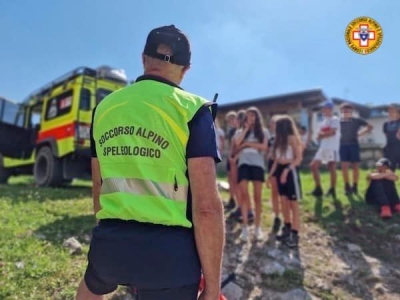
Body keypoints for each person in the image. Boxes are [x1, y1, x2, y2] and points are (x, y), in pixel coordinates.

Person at [75, 25, 225, 300]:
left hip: (110, 246)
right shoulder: (193, 110)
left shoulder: (104, 109)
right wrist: (213, 289)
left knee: (92, 286)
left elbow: (99, 192)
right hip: (170, 260)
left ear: (144, 59)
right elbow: (206, 209)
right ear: (186, 68)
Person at [234, 106, 269, 241]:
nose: (250, 118)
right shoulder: (240, 131)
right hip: (243, 163)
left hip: (258, 164)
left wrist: (247, 144)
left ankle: (257, 228)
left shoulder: (264, 131)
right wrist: (246, 130)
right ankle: (244, 227)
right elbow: (237, 143)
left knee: (257, 196)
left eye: (253, 115)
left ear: (257, 117)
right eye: (248, 116)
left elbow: (264, 147)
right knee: (243, 194)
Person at [268, 115, 303, 248]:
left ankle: (295, 233)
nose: (274, 127)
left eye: (277, 125)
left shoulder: (292, 138)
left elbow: (298, 158)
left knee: (293, 203)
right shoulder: (278, 141)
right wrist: (270, 175)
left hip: (290, 171)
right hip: (280, 170)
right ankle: (286, 228)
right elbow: (276, 160)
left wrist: (287, 170)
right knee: (284, 202)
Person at [339, 103, 373, 195]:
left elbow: (370, 126)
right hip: (342, 145)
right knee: (344, 166)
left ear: (351, 111)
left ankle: (355, 186)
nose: (345, 113)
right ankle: (347, 186)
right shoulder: (338, 121)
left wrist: (360, 134)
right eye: (343, 111)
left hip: (354, 145)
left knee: (355, 167)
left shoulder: (357, 120)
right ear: (341, 112)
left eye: (348, 111)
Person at [310, 101, 341, 197]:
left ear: (330, 109)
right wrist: (322, 135)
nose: (323, 110)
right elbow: (318, 136)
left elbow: (332, 132)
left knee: (331, 167)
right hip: (323, 147)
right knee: (313, 166)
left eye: (325, 108)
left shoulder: (335, 119)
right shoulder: (323, 122)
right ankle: (318, 188)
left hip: (332, 147)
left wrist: (322, 135)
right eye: (322, 108)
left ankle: (332, 189)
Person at [266, 115, 282, 233]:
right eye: (271, 123)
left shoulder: (283, 137)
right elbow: (268, 152)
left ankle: (286, 217)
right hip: (271, 164)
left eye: (275, 123)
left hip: (281, 164)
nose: (272, 125)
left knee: (283, 193)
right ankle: (277, 216)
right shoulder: (271, 139)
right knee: (274, 192)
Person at [224, 111, 238, 210]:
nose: (230, 122)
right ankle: (232, 199)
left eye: (231, 119)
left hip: (237, 157)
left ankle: (239, 202)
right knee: (230, 179)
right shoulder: (230, 132)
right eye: (228, 121)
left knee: (236, 179)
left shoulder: (240, 130)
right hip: (230, 156)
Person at [383, 104, 400, 171]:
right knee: (389, 170)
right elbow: (387, 136)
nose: (390, 113)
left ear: (397, 112)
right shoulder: (386, 124)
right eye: (389, 111)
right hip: (390, 149)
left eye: (392, 111)